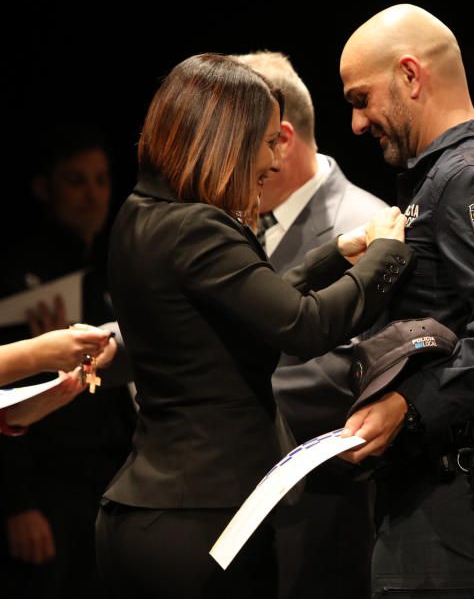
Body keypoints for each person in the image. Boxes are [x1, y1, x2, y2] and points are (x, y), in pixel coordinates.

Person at [93, 53, 412, 599]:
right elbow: (304, 327)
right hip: (205, 524)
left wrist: (336, 253)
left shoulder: (139, 213)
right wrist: (385, 254)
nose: (271, 160)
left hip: (138, 513)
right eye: (266, 142)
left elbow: (247, 300)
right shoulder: (200, 226)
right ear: (227, 139)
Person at [338, 4, 474, 597]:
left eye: (361, 99)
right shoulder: (439, 179)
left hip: (460, 489)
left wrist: (409, 405)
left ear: (410, 76)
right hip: (438, 486)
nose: (357, 123)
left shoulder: (469, 179)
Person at [232, 50, 387, 599]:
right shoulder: (226, 221)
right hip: (231, 511)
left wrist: (211, 391)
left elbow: (366, 370)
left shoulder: (368, 230)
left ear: (282, 138)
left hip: (320, 513)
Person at [0, 127, 135, 599]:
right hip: (47, 482)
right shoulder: (19, 277)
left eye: (101, 180)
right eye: (76, 180)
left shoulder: (109, 269)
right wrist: (17, 503)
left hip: (108, 477)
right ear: (45, 187)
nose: (92, 194)